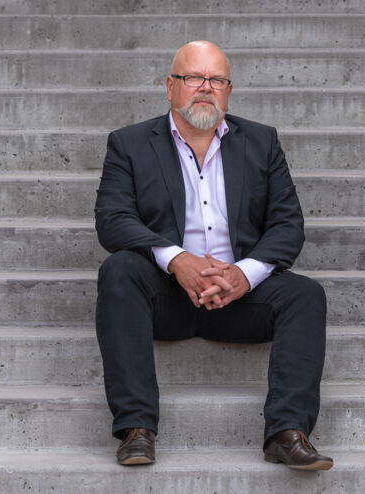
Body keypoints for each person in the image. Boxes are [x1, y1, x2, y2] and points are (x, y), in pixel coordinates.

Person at [94, 40, 332, 471]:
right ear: (171, 86)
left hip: (239, 299)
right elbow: (112, 220)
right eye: (193, 78)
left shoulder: (262, 142)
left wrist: (244, 274)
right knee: (120, 270)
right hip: (164, 296)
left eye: (216, 80)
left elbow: (287, 225)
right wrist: (176, 260)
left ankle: (286, 432)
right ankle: (136, 428)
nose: (205, 87)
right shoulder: (129, 144)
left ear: (228, 89)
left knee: (305, 295)